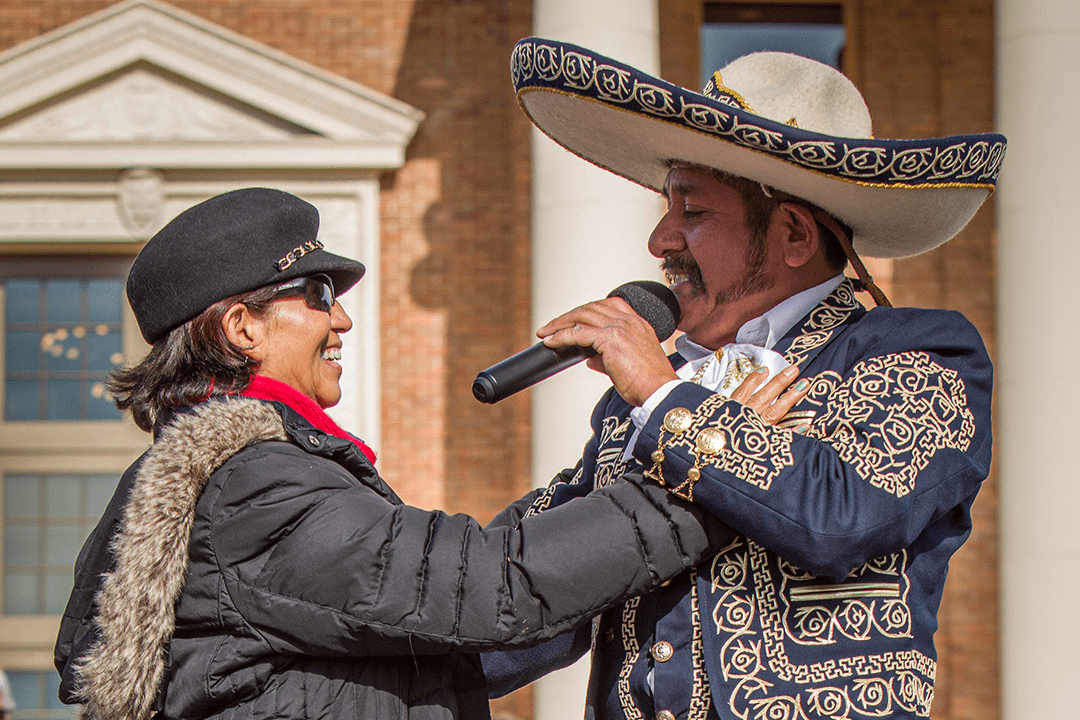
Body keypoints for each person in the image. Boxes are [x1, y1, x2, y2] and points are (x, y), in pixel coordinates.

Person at [51, 187, 801, 720]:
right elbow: (489, 587)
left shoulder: (254, 478)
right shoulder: (251, 488)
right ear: (242, 328)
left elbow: (449, 645)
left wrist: (610, 479)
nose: (341, 316)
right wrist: (701, 471)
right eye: (316, 292)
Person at [482, 39, 1004, 719]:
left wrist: (666, 399)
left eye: (692, 212)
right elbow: (532, 595)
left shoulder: (917, 353)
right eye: (668, 210)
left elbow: (840, 515)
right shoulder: (636, 405)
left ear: (792, 233)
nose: (661, 241)